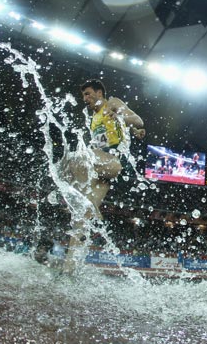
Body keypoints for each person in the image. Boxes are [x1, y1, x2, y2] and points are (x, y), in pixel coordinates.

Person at [60, 79, 145, 271]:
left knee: (73, 157)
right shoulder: (94, 116)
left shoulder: (112, 102)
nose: (85, 98)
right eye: (83, 95)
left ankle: (70, 194)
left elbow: (137, 119)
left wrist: (121, 114)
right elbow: (131, 127)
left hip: (114, 163)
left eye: (88, 94)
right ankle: (69, 269)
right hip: (101, 170)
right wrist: (136, 131)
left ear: (99, 93)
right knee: (82, 217)